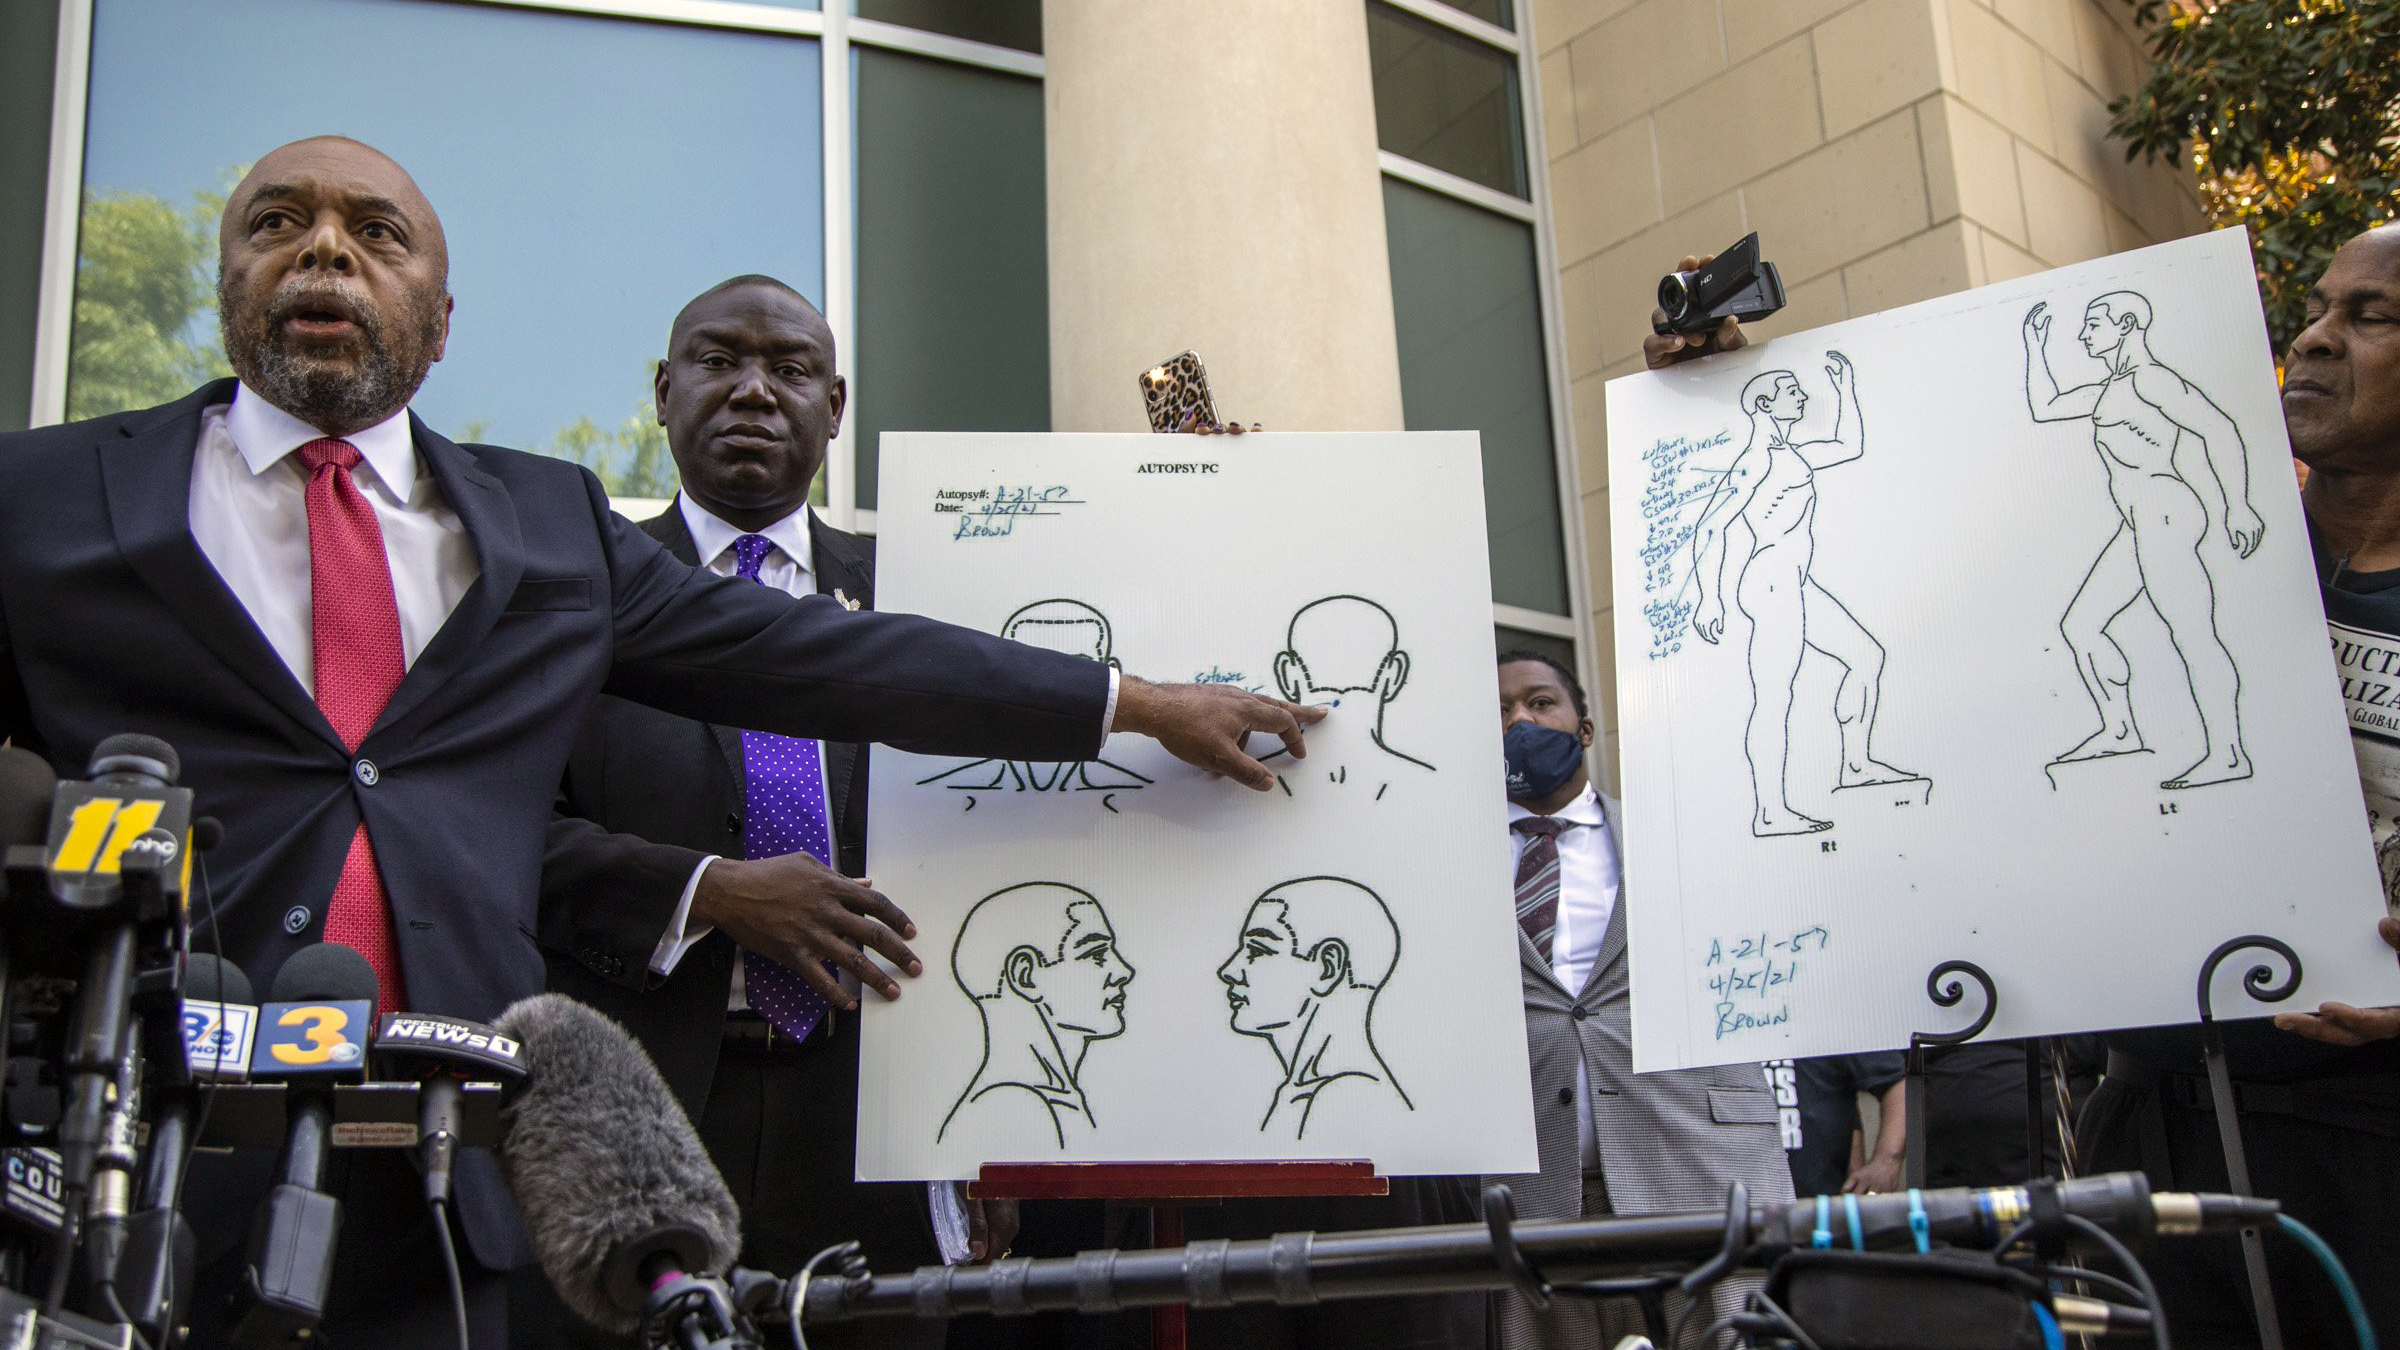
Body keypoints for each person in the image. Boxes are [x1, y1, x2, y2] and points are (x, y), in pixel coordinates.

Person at [0, 135, 1321, 1349]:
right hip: (161, 1146)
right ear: (227, 279)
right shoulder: (51, 497)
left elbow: (845, 659)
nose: (325, 248)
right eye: (276, 221)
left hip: (456, 1171)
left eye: (374, 230)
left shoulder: (544, 530)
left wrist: (1138, 694)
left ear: (442, 321)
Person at [1649, 232, 2400, 1345]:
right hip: (2158, 1132)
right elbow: (1941, 489)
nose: (2314, 337)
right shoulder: (2212, 537)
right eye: (2319, 307)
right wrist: (1730, 384)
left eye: (2369, 316)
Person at [528, 274, 1006, 1349]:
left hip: (879, 1120)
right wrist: (712, 894)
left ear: (836, 407)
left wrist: (1206, 503)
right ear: (662, 390)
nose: (752, 391)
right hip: (643, 1119)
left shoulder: (925, 593)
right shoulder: (571, 588)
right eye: (718, 361)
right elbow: (500, 833)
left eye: (789, 370)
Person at [1490, 649, 1792, 1349]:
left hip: (1698, 1168)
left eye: (1539, 704)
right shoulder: (1448, 864)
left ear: (1585, 729)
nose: (1519, 721)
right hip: (1536, 1190)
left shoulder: (1687, 836)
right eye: (1499, 712)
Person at [2023, 292, 2262, 786]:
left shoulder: (2152, 379)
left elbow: (2219, 429)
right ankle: (2119, 730)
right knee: (2082, 625)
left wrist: (2238, 505)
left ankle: (2229, 754)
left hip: (2165, 511)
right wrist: (2034, 346)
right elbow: (2045, 407)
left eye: (2095, 323)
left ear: (2127, 324)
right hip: (2138, 519)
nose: (2085, 334)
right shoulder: (2112, 386)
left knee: (2192, 633)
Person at [1688, 354, 1923, 836]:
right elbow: (1710, 525)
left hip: (1795, 580)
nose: (1800, 396)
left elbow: (1849, 444)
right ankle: (1770, 812)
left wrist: (1845, 387)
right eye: (1790, 390)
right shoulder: (1756, 462)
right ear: (1764, 404)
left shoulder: (1789, 454)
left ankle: (1855, 765)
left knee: (1865, 656)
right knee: (1774, 696)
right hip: (1770, 581)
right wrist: (1709, 598)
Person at [1216, 876, 1412, 1140]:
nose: (1229, 970)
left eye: (1258, 950)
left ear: (1327, 968)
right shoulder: (1303, 1092)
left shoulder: (1348, 1098)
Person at [942, 882, 1136, 1148]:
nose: (1124, 971)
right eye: (1096, 954)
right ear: (1025, 976)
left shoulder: (1051, 1098)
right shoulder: (1011, 1107)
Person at [1764, 1053, 1905, 1198]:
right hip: (1747, 1199)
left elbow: (1896, 1082)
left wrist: (1886, 1160)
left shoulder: (1825, 1033)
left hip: (1821, 1203)